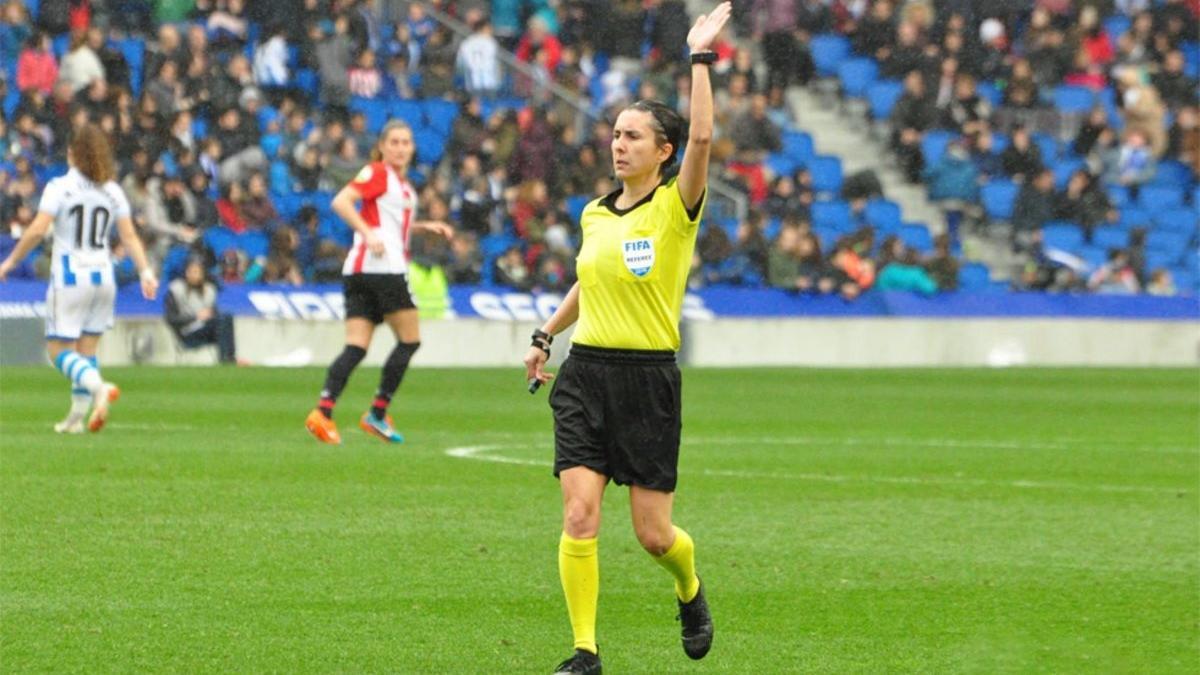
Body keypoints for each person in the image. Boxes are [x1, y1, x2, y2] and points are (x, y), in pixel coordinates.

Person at [521, 4, 730, 673]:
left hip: (647, 381)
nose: (619, 144)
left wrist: (699, 56)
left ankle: (689, 587)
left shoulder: (676, 207)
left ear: (662, 152)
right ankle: (585, 650)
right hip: (586, 375)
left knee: (652, 533)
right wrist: (545, 334)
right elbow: (591, 283)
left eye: (635, 137)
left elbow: (702, 140)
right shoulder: (592, 213)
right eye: (616, 133)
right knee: (579, 515)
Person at [0, 124, 158, 432]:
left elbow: (35, 230)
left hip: (72, 277)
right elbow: (129, 236)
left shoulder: (61, 187)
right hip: (104, 278)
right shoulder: (112, 190)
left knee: (58, 351)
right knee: (86, 351)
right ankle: (76, 418)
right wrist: (146, 271)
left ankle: (98, 387)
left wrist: (9, 263)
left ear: (72, 153)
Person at [305, 120, 454, 445]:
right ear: (383, 147)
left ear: (412, 148)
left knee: (356, 347)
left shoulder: (400, 187)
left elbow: (390, 225)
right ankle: (377, 412)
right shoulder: (377, 172)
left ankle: (323, 412)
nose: (401, 148)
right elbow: (342, 201)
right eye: (395, 142)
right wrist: (367, 233)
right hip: (383, 270)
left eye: (406, 142)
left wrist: (423, 226)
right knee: (410, 340)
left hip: (359, 272)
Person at [164, 257, 237, 362]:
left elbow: (214, 312)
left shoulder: (209, 290)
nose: (194, 275)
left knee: (226, 318)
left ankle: (230, 358)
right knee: (221, 322)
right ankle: (225, 360)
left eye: (197, 272)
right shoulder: (176, 290)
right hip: (188, 331)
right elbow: (171, 318)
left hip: (208, 328)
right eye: (191, 272)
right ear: (186, 273)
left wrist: (211, 314)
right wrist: (196, 316)